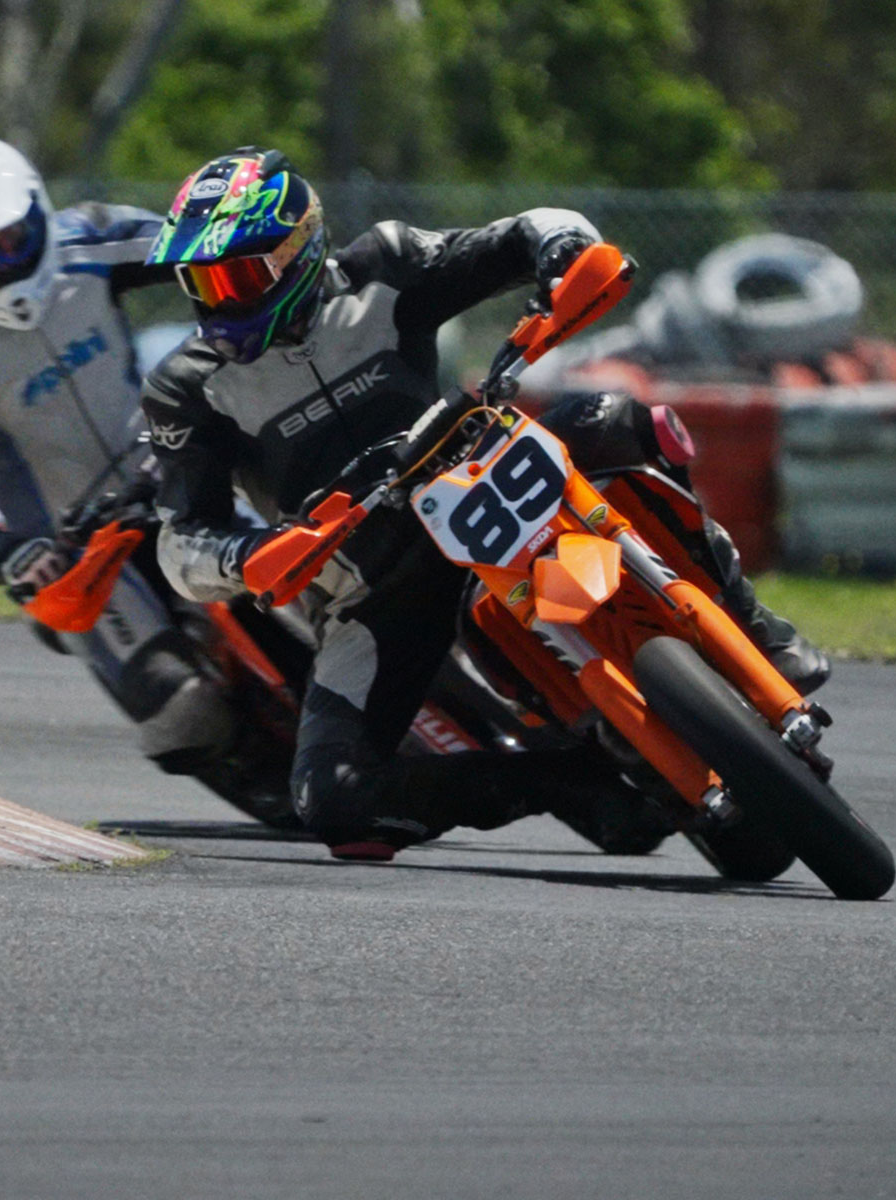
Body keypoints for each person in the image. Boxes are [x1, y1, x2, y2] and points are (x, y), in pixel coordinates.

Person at [139, 146, 830, 861]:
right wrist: (252, 554)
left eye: (239, 276)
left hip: (479, 471)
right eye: (202, 281)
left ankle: (753, 625)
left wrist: (563, 253)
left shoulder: (386, 263)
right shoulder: (185, 387)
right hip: (367, 575)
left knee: (614, 419)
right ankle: (561, 778)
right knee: (335, 800)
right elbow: (179, 539)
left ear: (299, 250)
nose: (221, 300)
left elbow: (529, 228)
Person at [0, 131, 287, 819]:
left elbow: (209, 250)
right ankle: (264, 774)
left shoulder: (96, 237)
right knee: (181, 708)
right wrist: (7, 554)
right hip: (76, 546)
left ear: (38, 211)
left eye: (10, 241)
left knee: (320, 547)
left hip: (176, 459)